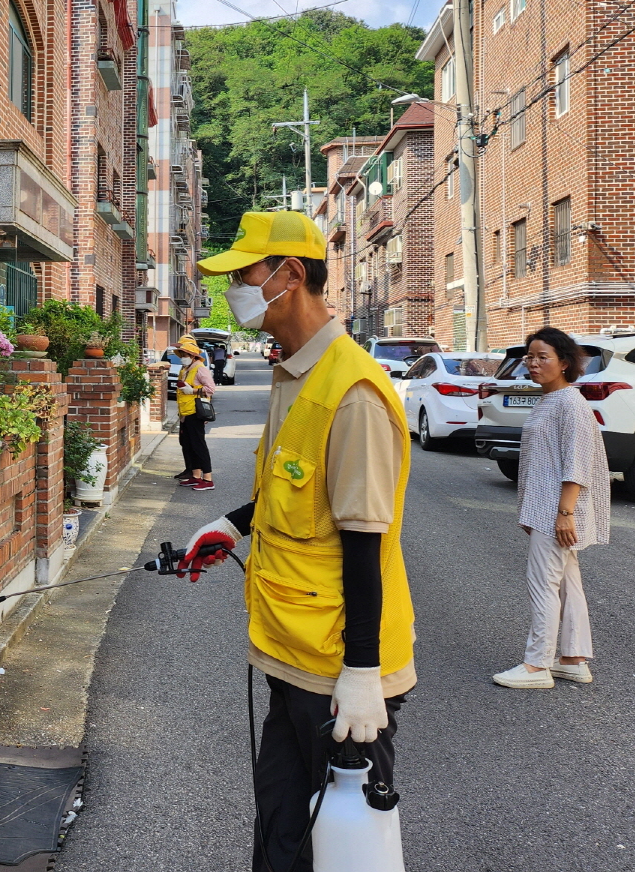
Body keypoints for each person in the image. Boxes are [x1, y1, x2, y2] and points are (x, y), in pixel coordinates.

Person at [180, 210, 416, 872]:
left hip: (341, 674)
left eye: (244, 274)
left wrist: (364, 674)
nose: (232, 291)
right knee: (281, 836)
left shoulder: (354, 392)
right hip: (291, 657)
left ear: (289, 274)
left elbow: (364, 543)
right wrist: (231, 521)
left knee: (342, 853)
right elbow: (293, 488)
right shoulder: (294, 375)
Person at [493, 327, 611, 689]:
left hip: (556, 510)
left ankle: (537, 665)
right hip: (544, 507)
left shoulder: (570, 403)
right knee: (566, 583)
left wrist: (565, 513)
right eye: (530, 357)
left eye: (543, 357)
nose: (533, 363)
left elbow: (576, 462)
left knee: (543, 583)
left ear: (563, 363)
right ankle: (573, 659)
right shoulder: (549, 400)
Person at [174, 337, 216, 492]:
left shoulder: (200, 369)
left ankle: (208, 479)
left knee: (199, 446)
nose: (183, 357)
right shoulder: (186, 369)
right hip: (186, 413)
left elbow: (210, 389)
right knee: (190, 445)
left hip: (195, 413)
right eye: (182, 354)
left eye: (185, 354)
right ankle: (196, 476)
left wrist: (192, 390)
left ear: (192, 356)